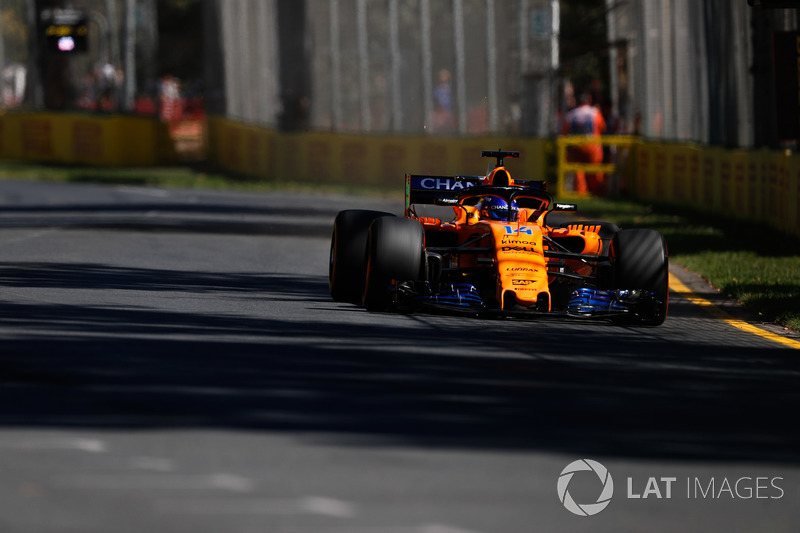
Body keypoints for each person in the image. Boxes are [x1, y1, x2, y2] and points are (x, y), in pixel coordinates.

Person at [562, 91, 607, 194]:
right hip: (593, 148)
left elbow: (564, 131)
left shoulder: (571, 114)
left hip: (575, 147)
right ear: (589, 101)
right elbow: (602, 127)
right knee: (595, 170)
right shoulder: (595, 112)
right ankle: (596, 192)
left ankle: (581, 192)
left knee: (578, 171)